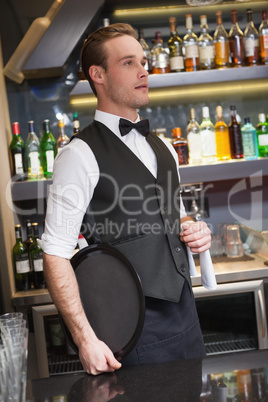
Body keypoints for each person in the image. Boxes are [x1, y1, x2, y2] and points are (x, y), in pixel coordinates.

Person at [41, 23, 212, 376]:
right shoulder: (78, 155)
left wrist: (193, 230)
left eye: (144, 62)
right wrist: (85, 339)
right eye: (129, 63)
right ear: (98, 74)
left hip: (186, 321)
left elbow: (174, 216)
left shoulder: (163, 147)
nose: (144, 71)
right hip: (129, 331)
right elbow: (55, 254)